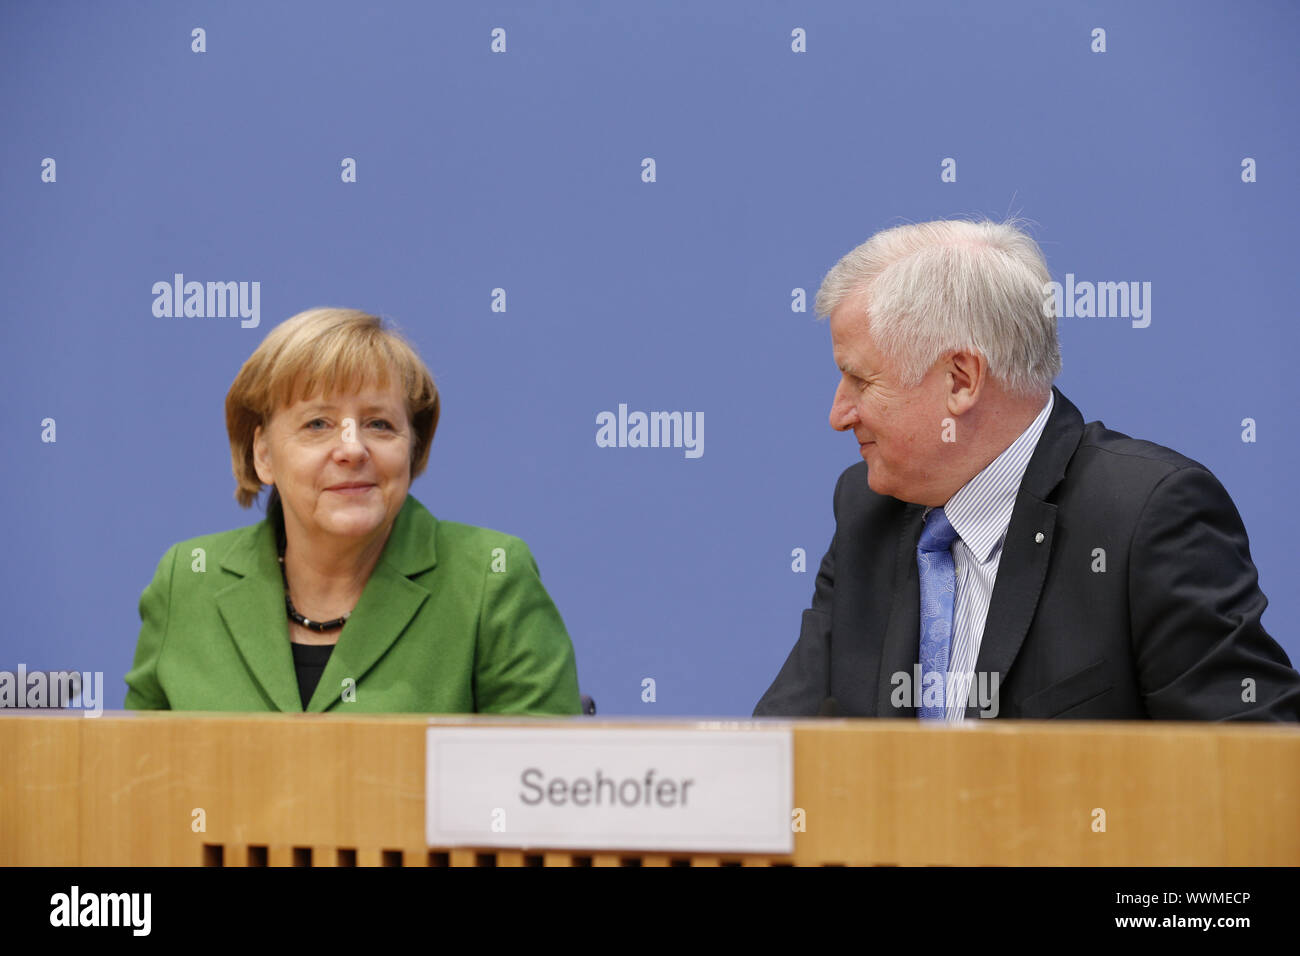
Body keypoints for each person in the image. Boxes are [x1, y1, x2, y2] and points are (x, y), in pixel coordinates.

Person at [754, 219, 1300, 721]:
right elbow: (776, 752)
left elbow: (1258, 768)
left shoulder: (1144, 517)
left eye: (860, 380)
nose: (837, 414)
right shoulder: (867, 509)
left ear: (962, 380)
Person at [125, 308, 581, 714]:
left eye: (379, 424)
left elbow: (534, 792)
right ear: (262, 453)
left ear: (412, 446)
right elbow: (135, 783)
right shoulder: (187, 581)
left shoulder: (489, 580)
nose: (352, 448)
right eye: (317, 424)